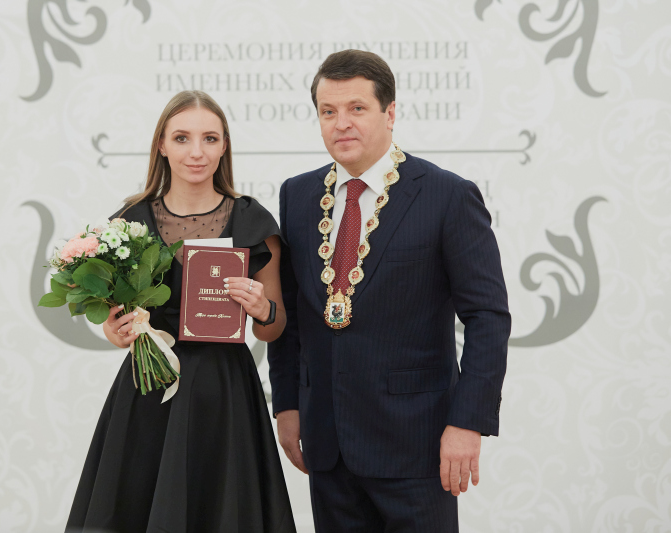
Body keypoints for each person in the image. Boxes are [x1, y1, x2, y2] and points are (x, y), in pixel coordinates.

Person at [268, 49, 511, 532]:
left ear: (390, 112)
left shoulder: (446, 195)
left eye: (357, 108)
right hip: (327, 443)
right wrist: (288, 405)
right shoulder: (297, 195)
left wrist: (467, 422)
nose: (341, 123)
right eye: (328, 111)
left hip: (417, 444)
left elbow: (488, 317)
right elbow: (291, 311)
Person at [66, 90, 296, 533]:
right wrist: (116, 331)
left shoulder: (253, 221)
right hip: (148, 389)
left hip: (224, 392)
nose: (196, 152)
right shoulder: (129, 221)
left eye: (210, 138)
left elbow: (274, 326)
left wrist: (262, 309)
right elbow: (114, 321)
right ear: (162, 145)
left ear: (224, 146)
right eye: (182, 138)